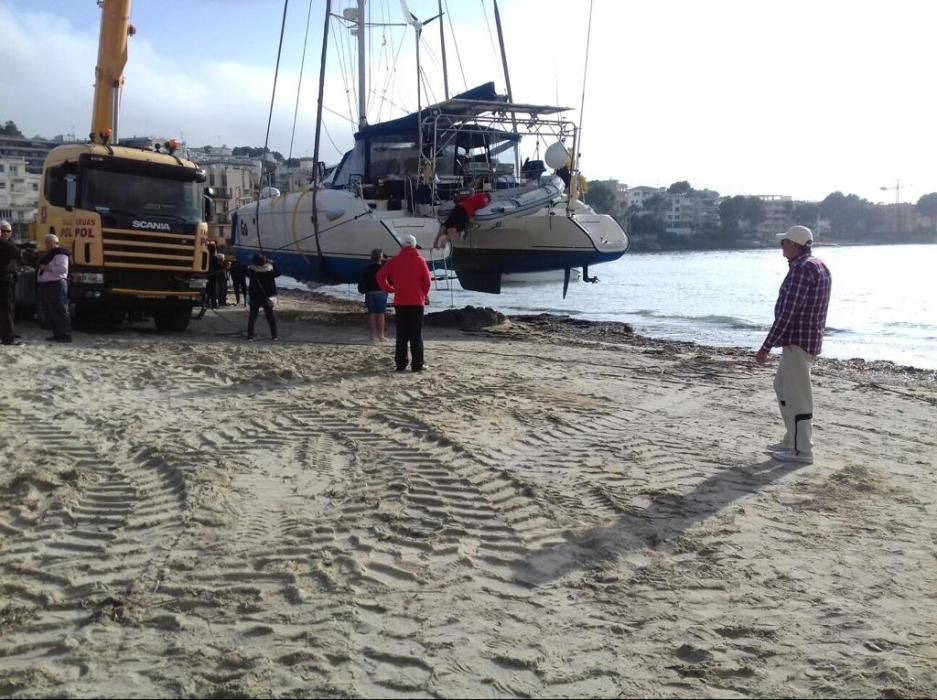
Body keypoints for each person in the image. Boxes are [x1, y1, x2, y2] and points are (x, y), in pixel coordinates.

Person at [756, 225, 832, 465]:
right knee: (782, 387)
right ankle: (792, 441)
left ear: (794, 245)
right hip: (805, 338)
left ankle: (802, 450)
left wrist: (766, 347)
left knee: (798, 396)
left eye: (784, 243)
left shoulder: (802, 270)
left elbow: (788, 312)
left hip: (797, 340)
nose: (782, 247)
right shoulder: (817, 265)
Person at [377, 235, 431, 372]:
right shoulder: (420, 260)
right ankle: (417, 364)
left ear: (402, 246)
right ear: (414, 245)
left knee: (401, 334)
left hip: (400, 301)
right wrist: (423, 294)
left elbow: (380, 276)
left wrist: (389, 289)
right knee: (416, 335)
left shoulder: (395, 261)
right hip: (416, 302)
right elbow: (427, 281)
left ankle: (401, 364)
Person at [37, 233, 72, 343]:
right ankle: (57, 334)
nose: (47, 245)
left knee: (60, 310)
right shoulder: (50, 254)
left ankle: (65, 335)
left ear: (56, 243)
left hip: (56, 284)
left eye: (49, 242)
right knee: (51, 311)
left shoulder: (60, 254)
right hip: (47, 285)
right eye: (46, 242)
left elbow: (62, 269)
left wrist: (47, 268)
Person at [246, 253, 279, 341]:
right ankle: (274, 336)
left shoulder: (252, 271)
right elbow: (279, 273)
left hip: (255, 295)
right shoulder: (270, 271)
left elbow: (245, 270)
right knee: (270, 316)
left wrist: (250, 263)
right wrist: (273, 263)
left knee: (252, 316)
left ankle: (250, 336)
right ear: (265, 262)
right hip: (267, 296)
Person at [0, 221, 23, 346]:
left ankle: (7, 334)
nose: (5, 234)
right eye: (3, 231)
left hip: (8, 280)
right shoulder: (6, 245)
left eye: (8, 231)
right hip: (3, 279)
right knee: (6, 309)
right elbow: (14, 251)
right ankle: (7, 337)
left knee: (8, 308)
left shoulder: (9, 245)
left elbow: (17, 253)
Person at [358, 248, 388, 342]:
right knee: (380, 314)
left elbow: (362, 281)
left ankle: (372, 335)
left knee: (372, 314)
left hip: (369, 293)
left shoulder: (367, 268)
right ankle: (381, 335)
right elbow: (388, 280)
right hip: (381, 292)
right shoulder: (383, 268)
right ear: (380, 257)